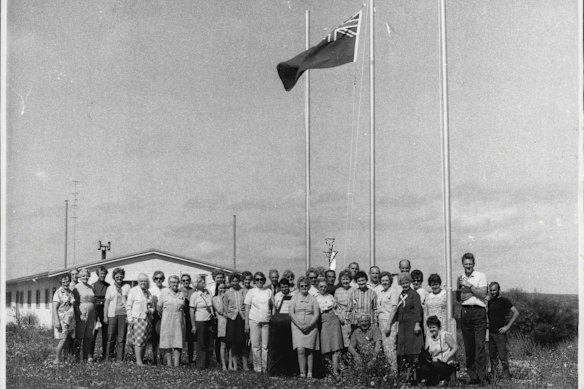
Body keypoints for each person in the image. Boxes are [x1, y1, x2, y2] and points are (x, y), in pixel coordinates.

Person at [457, 252, 488, 385]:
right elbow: (459, 297)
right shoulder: (460, 278)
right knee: (469, 346)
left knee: (479, 345)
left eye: (470, 264)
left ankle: (482, 377)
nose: (468, 266)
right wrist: (474, 292)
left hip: (479, 312)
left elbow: (483, 293)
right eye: (466, 264)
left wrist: (469, 287)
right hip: (465, 312)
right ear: (463, 264)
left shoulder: (481, 276)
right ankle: (472, 376)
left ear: (473, 264)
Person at [391, 272, 423, 386]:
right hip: (402, 327)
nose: (405, 285)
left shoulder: (414, 294)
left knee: (411, 352)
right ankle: (402, 379)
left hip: (411, 326)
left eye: (407, 282)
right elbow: (398, 311)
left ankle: (413, 379)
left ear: (410, 282)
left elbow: (418, 309)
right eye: (403, 283)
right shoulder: (400, 295)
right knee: (401, 351)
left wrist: (417, 323)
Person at [289, 276, 320, 378]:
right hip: (297, 327)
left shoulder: (313, 298)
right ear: (298, 286)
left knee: (309, 350)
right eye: (302, 286)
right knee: (300, 349)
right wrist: (300, 325)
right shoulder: (294, 297)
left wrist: (309, 325)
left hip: (311, 327)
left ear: (309, 286)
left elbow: (316, 314)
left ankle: (310, 372)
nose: (304, 287)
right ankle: (302, 372)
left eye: (306, 285)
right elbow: (291, 313)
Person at [488, 281, 519, 380]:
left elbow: (516, 312)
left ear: (499, 290)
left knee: (502, 356)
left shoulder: (504, 301)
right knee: (492, 357)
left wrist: (507, 326)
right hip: (490, 332)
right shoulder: (489, 301)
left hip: (500, 333)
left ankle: (506, 376)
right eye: (491, 290)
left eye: (494, 290)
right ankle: (494, 376)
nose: (493, 292)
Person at [244, 271, 273, 373]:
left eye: (261, 279)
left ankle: (265, 368)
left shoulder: (269, 291)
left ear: (264, 280)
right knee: (255, 346)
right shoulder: (251, 292)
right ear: (254, 281)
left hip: (266, 321)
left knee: (265, 346)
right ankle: (257, 368)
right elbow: (247, 308)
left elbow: (272, 306)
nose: (259, 281)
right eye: (257, 279)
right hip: (254, 321)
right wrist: (246, 324)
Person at [268, 278, 298, 376]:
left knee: (289, 348)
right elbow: (274, 310)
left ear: (289, 286)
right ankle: (277, 371)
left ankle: (289, 370)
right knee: (278, 348)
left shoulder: (294, 296)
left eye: (285, 287)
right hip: (279, 325)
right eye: (282, 287)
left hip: (290, 324)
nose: (284, 289)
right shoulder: (277, 296)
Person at [418, 315, 458, 387]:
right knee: (423, 368)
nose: (432, 329)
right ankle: (431, 381)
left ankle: (444, 379)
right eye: (430, 327)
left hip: (446, 363)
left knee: (433, 366)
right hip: (435, 363)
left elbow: (455, 347)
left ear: (438, 327)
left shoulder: (445, 335)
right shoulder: (430, 338)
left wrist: (447, 357)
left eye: (434, 327)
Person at [126, 273, 155, 366]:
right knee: (138, 341)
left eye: (145, 281)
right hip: (137, 319)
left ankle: (141, 359)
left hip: (147, 319)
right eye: (141, 281)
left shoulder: (148, 292)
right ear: (138, 282)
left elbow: (152, 307)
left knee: (144, 341)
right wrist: (130, 318)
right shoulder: (133, 291)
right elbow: (129, 305)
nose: (143, 283)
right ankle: (139, 361)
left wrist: (150, 310)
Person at [316, 278, 343, 376]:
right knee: (325, 348)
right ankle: (328, 371)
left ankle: (335, 371)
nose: (323, 288)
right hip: (323, 321)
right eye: (321, 287)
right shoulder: (315, 298)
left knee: (335, 347)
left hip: (334, 321)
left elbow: (336, 308)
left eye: (325, 286)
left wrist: (340, 318)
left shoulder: (331, 296)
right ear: (318, 287)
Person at [157, 275, 186, 367]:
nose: (175, 284)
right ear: (169, 283)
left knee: (178, 341)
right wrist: (164, 315)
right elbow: (158, 307)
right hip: (167, 318)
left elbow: (183, 305)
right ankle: (169, 364)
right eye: (173, 282)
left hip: (179, 318)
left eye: (176, 282)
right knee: (167, 341)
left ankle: (177, 364)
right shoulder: (164, 292)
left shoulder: (181, 293)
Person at [223, 272, 249, 371]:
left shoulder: (244, 291)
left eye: (236, 281)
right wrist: (229, 314)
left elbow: (246, 306)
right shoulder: (227, 293)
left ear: (239, 281)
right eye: (232, 281)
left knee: (242, 342)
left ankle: (245, 365)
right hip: (232, 319)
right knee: (233, 342)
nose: (235, 283)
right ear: (230, 282)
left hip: (242, 318)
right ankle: (234, 365)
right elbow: (225, 308)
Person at [103, 267, 130, 361]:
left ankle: (120, 359)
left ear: (123, 276)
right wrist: (105, 316)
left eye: (121, 276)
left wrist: (129, 315)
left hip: (123, 314)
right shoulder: (110, 288)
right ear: (114, 277)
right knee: (110, 336)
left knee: (121, 338)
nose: (119, 278)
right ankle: (108, 357)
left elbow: (130, 302)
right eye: (117, 276)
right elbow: (106, 303)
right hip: (112, 315)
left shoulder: (127, 287)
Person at [190, 275, 214, 369]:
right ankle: (200, 365)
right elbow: (191, 311)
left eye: (203, 281)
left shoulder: (209, 292)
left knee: (209, 342)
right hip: (200, 321)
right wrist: (193, 326)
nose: (203, 283)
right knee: (201, 343)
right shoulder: (194, 295)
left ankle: (209, 364)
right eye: (200, 281)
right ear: (196, 284)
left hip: (209, 320)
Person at [73, 268, 96, 362]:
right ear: (79, 277)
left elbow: (94, 301)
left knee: (88, 336)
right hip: (82, 311)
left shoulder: (91, 287)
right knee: (80, 335)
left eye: (86, 275)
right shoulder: (76, 288)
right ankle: (77, 357)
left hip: (91, 313)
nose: (85, 277)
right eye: (83, 276)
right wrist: (80, 314)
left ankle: (86, 357)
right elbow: (75, 304)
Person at [52, 274, 76, 364]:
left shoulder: (70, 291)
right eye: (63, 282)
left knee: (68, 340)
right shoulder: (58, 293)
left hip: (70, 319)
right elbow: (54, 308)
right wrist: (56, 320)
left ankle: (66, 359)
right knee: (63, 339)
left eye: (67, 281)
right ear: (61, 282)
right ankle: (57, 359)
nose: (66, 283)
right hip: (62, 320)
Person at [377, 271, 397, 373]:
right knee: (385, 348)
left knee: (390, 348)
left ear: (390, 281)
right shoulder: (381, 292)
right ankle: (389, 370)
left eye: (386, 280)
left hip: (389, 322)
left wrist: (389, 325)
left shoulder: (393, 291)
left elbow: (394, 309)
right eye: (383, 280)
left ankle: (394, 372)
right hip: (381, 322)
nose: (384, 282)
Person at [92, 266, 110, 361]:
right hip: (95, 309)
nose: (102, 275)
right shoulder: (93, 285)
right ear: (98, 274)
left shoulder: (108, 286)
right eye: (101, 273)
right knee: (93, 332)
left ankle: (105, 355)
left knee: (106, 333)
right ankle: (90, 355)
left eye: (104, 273)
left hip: (105, 309)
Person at [149, 270, 166, 365]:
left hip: (164, 316)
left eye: (160, 278)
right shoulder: (151, 290)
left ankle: (163, 358)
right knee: (154, 338)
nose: (158, 280)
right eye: (156, 278)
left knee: (163, 338)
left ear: (163, 279)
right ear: (154, 279)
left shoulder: (166, 289)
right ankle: (155, 358)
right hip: (154, 316)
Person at [334, 269, 354, 347]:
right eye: (343, 279)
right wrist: (339, 316)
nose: (345, 281)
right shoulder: (337, 291)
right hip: (341, 317)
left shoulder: (354, 289)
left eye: (347, 279)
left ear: (350, 280)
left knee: (352, 337)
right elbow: (335, 305)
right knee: (343, 339)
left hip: (352, 316)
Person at [179, 273, 196, 364]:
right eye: (184, 280)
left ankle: (190, 360)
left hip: (191, 317)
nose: (186, 282)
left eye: (187, 280)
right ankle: (179, 359)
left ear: (190, 281)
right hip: (180, 316)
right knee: (180, 338)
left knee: (191, 340)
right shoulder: (178, 291)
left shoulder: (193, 291)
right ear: (181, 282)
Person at [212, 283, 228, 370]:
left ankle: (230, 364)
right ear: (217, 289)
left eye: (224, 288)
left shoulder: (228, 296)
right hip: (222, 322)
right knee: (223, 344)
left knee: (230, 345)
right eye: (221, 288)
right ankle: (223, 365)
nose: (222, 290)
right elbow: (220, 310)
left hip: (229, 321)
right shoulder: (215, 299)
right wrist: (222, 299)